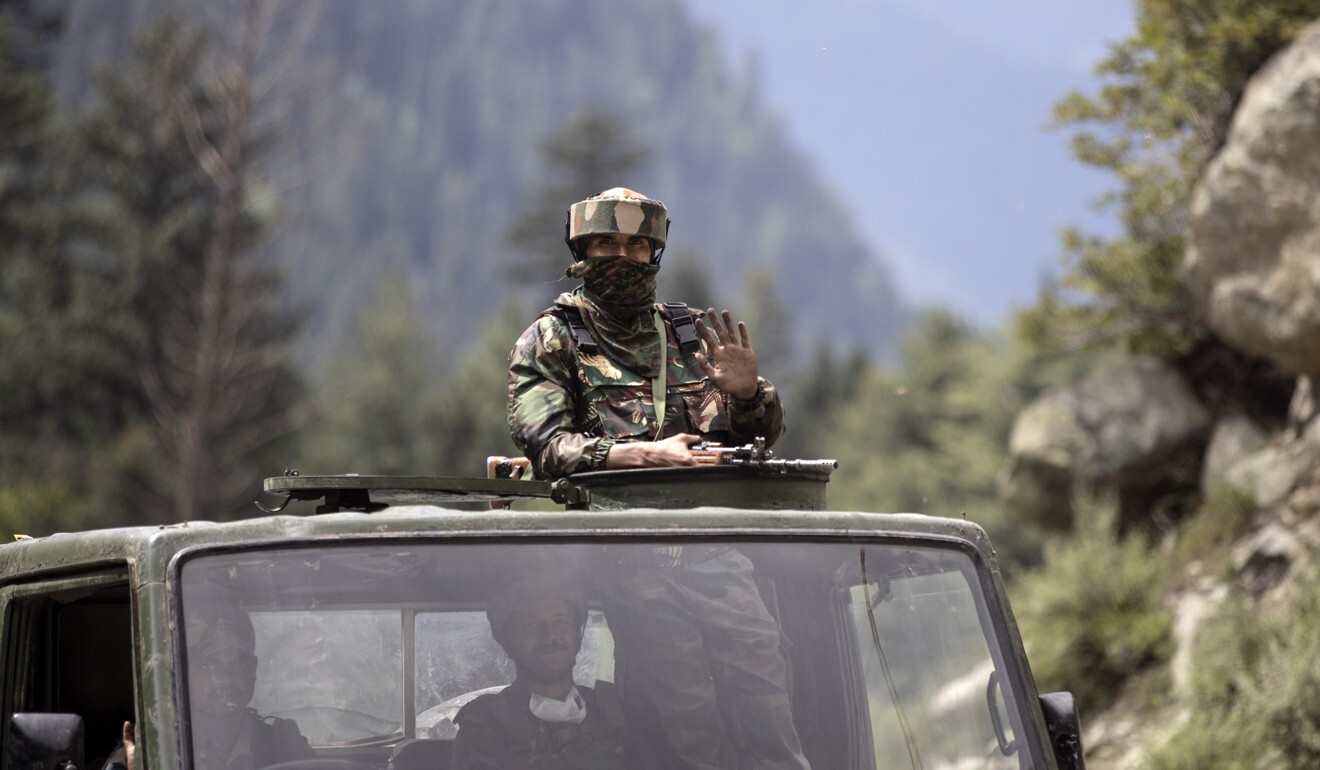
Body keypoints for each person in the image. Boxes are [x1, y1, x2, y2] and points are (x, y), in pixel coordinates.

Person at [506, 188, 810, 769]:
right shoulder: (552, 338)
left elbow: (752, 438)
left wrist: (750, 396)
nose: (623, 257)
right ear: (582, 251)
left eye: (636, 245)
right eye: (607, 244)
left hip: (712, 546)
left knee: (761, 671)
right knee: (681, 698)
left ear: (655, 255)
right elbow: (547, 444)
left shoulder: (691, 334)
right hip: (623, 549)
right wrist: (644, 455)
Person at [103, 599, 314, 770]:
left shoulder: (285, 748)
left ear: (254, 670)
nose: (226, 679)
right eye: (207, 666)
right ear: (180, 674)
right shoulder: (147, 756)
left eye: (239, 664)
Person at [450, 573, 627, 769]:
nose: (549, 635)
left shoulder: (614, 716)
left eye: (560, 622)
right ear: (509, 643)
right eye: (531, 625)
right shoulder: (484, 729)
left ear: (578, 634)